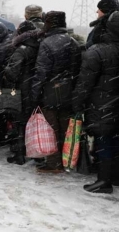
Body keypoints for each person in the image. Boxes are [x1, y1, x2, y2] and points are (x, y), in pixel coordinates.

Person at [73, 11, 119, 193]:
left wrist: (77, 103)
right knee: (115, 138)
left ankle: (103, 180)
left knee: (103, 139)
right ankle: (113, 175)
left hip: (101, 103)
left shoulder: (96, 51)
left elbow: (85, 82)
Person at [31, 11, 81, 173]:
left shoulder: (46, 43)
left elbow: (41, 72)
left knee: (51, 129)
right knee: (66, 128)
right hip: (69, 92)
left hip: (50, 93)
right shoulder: (72, 42)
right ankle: (66, 159)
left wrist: (35, 94)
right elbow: (77, 69)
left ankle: (53, 162)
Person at [4, 20, 40, 165]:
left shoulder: (21, 49)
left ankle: (19, 154)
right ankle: (34, 151)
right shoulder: (40, 46)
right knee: (33, 120)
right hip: (36, 88)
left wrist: (6, 69)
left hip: (20, 90)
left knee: (19, 122)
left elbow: (13, 72)